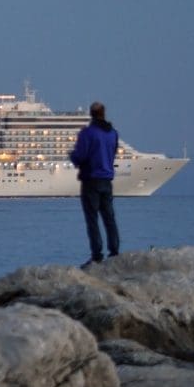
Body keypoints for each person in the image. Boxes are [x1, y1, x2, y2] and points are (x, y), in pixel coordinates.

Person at [70, 101, 120, 266]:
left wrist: (73, 156)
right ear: (104, 114)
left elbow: (80, 156)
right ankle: (114, 252)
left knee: (92, 219)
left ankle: (97, 255)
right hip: (107, 179)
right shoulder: (113, 133)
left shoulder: (88, 133)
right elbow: (112, 154)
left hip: (91, 180)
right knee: (109, 218)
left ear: (91, 114)